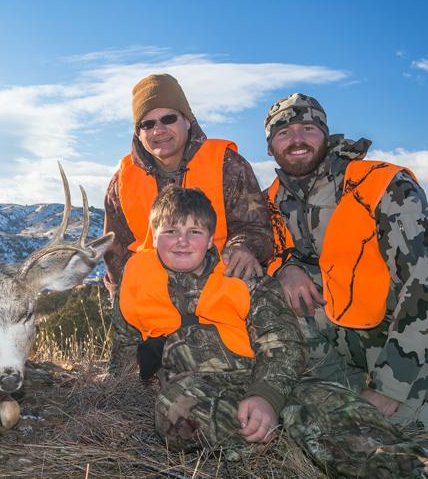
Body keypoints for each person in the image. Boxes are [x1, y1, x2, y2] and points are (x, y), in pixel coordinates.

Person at [120, 186, 426, 477]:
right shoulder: (135, 282)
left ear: (212, 238)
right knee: (175, 408)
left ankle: (405, 464)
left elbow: (284, 343)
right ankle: (286, 445)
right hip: (205, 393)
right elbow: (123, 346)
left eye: (194, 232)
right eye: (170, 231)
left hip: (274, 382)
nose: (182, 241)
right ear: (154, 236)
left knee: (335, 413)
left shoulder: (246, 279)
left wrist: (266, 397)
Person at [263, 92, 427, 428]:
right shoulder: (269, 202)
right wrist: (284, 267)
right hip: (341, 344)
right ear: (270, 148)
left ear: (325, 134)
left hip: (405, 346)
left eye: (307, 128)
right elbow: (261, 250)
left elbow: (422, 281)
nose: (296, 140)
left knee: (403, 442)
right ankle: (334, 394)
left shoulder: (381, 184)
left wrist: (390, 388)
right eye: (284, 132)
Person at [103, 74, 272, 371]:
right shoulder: (121, 181)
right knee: (128, 386)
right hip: (151, 298)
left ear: (188, 120)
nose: (159, 130)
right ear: (138, 131)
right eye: (147, 123)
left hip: (217, 290)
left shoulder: (227, 164)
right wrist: (121, 296)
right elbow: (115, 250)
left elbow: (255, 227)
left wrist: (243, 248)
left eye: (168, 118)